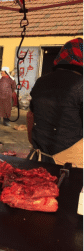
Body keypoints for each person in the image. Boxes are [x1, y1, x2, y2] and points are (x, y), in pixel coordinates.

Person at [27, 38, 83, 168]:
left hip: (39, 159)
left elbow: (30, 116)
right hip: (72, 165)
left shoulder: (41, 81)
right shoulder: (81, 84)